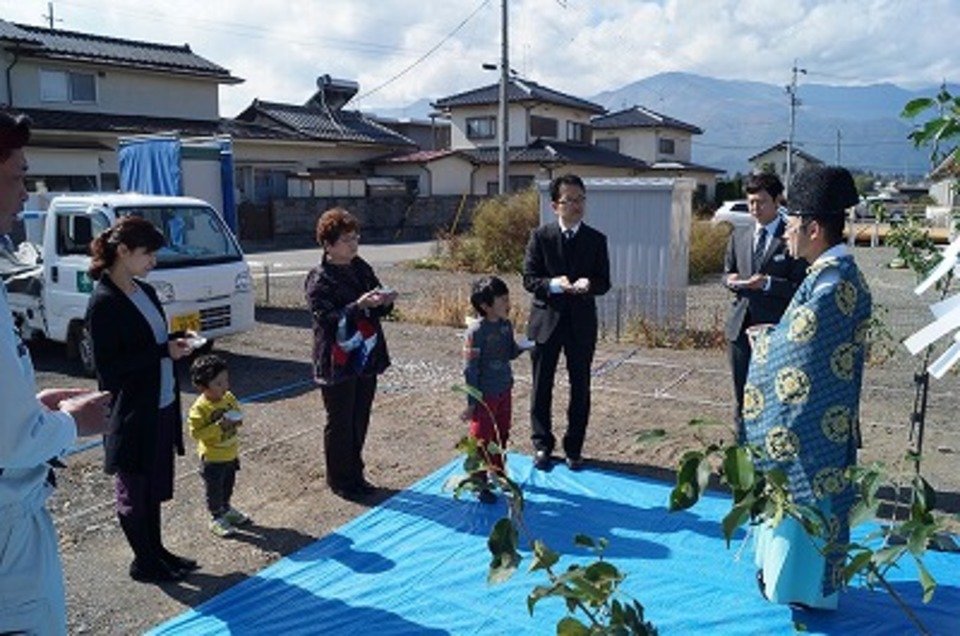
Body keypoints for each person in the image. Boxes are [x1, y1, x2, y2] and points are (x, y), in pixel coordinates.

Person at [0, 110, 111, 635]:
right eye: (19, 175)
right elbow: (13, 441)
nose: (26, 192)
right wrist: (73, 423)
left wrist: (31, 407)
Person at [744, 166, 872, 610]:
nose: (786, 236)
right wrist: (776, 337)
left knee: (805, 510)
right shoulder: (832, 275)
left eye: (793, 226)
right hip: (821, 423)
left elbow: (796, 356)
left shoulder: (832, 281)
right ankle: (799, 585)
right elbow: (802, 339)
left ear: (814, 228)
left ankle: (802, 591)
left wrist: (764, 345)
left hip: (812, 431)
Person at [86, 215, 199, 583]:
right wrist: (163, 351)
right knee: (134, 489)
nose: (153, 260)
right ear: (122, 251)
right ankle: (144, 562)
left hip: (161, 402)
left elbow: (152, 343)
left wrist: (182, 339)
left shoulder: (145, 291)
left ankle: (157, 552)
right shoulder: (104, 302)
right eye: (147, 253)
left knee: (153, 485)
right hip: (131, 411)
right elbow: (110, 368)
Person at [305, 207, 396, 500]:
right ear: (328, 245)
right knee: (340, 420)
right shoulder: (319, 277)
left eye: (355, 238)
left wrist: (383, 300)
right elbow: (325, 318)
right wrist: (357, 305)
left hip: (365, 354)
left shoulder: (360, 267)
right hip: (337, 358)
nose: (353, 244)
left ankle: (356, 473)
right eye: (345, 240)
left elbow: (378, 303)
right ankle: (340, 479)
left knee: (360, 417)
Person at [523, 173, 611, 471]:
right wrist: (555, 284)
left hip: (581, 323)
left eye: (581, 199)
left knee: (580, 386)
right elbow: (529, 279)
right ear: (554, 205)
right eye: (569, 200)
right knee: (541, 386)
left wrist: (589, 283)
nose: (576, 206)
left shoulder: (596, 239)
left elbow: (604, 282)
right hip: (546, 321)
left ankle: (574, 447)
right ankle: (542, 445)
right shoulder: (541, 236)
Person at [723, 172, 806, 442]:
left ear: (777, 201)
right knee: (741, 394)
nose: (755, 208)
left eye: (761, 202)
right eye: (750, 202)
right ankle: (741, 452)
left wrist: (769, 283)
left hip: (774, 330)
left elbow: (800, 287)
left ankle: (770, 454)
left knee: (773, 395)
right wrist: (731, 280)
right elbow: (727, 272)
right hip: (739, 327)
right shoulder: (739, 235)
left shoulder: (792, 236)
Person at [461, 276, 528, 503]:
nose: (507, 303)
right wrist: (472, 402)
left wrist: (527, 345)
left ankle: (498, 474)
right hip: (484, 395)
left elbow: (510, 352)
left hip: (504, 389)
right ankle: (478, 482)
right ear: (485, 305)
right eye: (502, 299)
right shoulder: (476, 331)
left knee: (501, 433)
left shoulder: (505, 325)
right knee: (481, 438)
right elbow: (470, 368)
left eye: (507, 297)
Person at [187, 353, 251, 537]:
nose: (225, 387)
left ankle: (227, 508)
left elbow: (237, 411)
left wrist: (237, 420)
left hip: (230, 453)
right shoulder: (199, 409)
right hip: (213, 458)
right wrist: (218, 427)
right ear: (202, 386)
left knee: (228, 484)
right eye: (218, 383)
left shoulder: (228, 397)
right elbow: (196, 433)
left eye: (226, 381)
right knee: (213, 489)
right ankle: (216, 517)